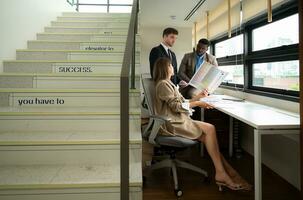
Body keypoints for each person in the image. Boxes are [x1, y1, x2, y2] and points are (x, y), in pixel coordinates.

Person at [153, 57, 252, 191]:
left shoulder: (168, 83)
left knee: (208, 137)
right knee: (210, 128)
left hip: (179, 121)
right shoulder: (163, 84)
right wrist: (199, 103)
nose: (172, 67)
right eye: (170, 65)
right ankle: (224, 174)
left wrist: (198, 97)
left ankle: (227, 173)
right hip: (171, 124)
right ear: (164, 68)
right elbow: (176, 106)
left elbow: (183, 102)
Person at [178, 38, 218, 120]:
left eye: (203, 48)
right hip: (188, 84)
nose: (200, 49)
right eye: (198, 47)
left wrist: (207, 85)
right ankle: (187, 119)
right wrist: (191, 82)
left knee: (192, 93)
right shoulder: (187, 56)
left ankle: (195, 119)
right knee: (183, 94)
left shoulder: (212, 59)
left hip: (203, 86)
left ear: (207, 49)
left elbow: (215, 74)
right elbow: (180, 72)